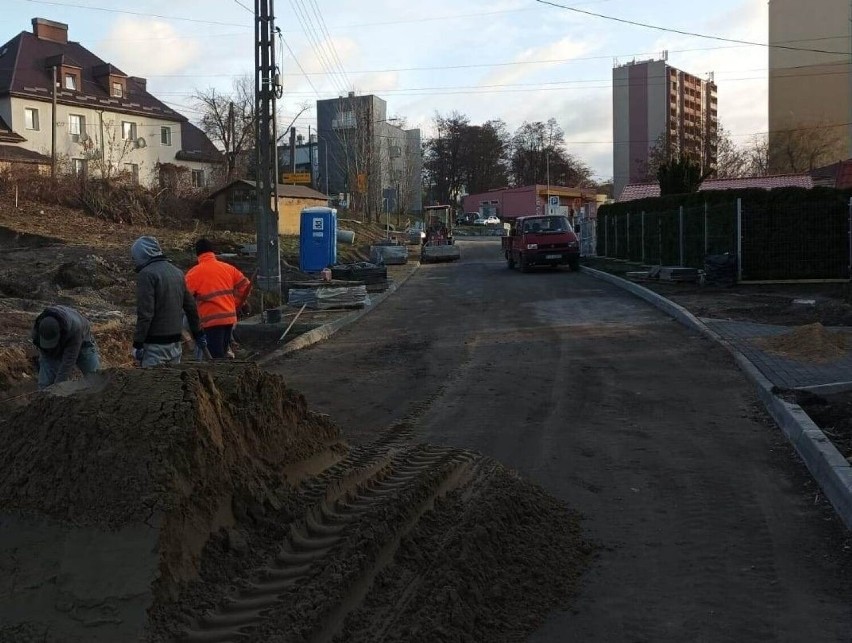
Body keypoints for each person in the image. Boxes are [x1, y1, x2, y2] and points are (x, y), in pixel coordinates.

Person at [131, 235, 206, 367]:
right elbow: (191, 307)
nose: (134, 261)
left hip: (155, 346)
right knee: (172, 384)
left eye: (134, 257)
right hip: (175, 345)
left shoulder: (147, 274)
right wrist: (198, 333)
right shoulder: (177, 272)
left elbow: (145, 313)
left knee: (153, 385)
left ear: (141, 255)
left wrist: (138, 344)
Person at [185, 238, 251, 359]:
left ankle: (220, 375)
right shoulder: (228, 268)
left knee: (216, 357)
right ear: (212, 251)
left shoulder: (193, 274)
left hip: (211, 322)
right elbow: (246, 285)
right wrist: (236, 303)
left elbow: (185, 300)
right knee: (222, 352)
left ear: (197, 254)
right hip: (229, 319)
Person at [31, 305, 100, 388]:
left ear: (60, 332)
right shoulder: (37, 331)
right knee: (45, 384)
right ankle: (43, 397)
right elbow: (45, 356)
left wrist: (58, 385)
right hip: (57, 341)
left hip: (83, 343)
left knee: (95, 378)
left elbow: (69, 360)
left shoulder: (76, 329)